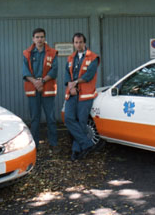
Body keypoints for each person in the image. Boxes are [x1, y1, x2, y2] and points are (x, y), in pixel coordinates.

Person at [64, 32, 100, 161]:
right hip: (72, 93)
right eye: (76, 42)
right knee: (68, 118)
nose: (78, 44)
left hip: (85, 95)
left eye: (80, 42)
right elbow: (67, 75)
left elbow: (89, 75)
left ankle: (76, 151)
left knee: (81, 122)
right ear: (73, 44)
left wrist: (75, 83)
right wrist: (71, 87)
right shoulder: (70, 58)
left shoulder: (93, 57)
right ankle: (87, 144)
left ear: (84, 43)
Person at [22, 28, 59, 149]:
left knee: (51, 118)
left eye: (42, 37)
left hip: (47, 88)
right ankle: (35, 145)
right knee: (35, 119)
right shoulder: (27, 53)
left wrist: (42, 81)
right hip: (33, 89)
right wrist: (36, 82)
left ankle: (53, 143)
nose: (39, 39)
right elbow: (25, 72)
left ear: (45, 38)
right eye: (37, 37)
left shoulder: (52, 52)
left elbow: (54, 70)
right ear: (33, 39)